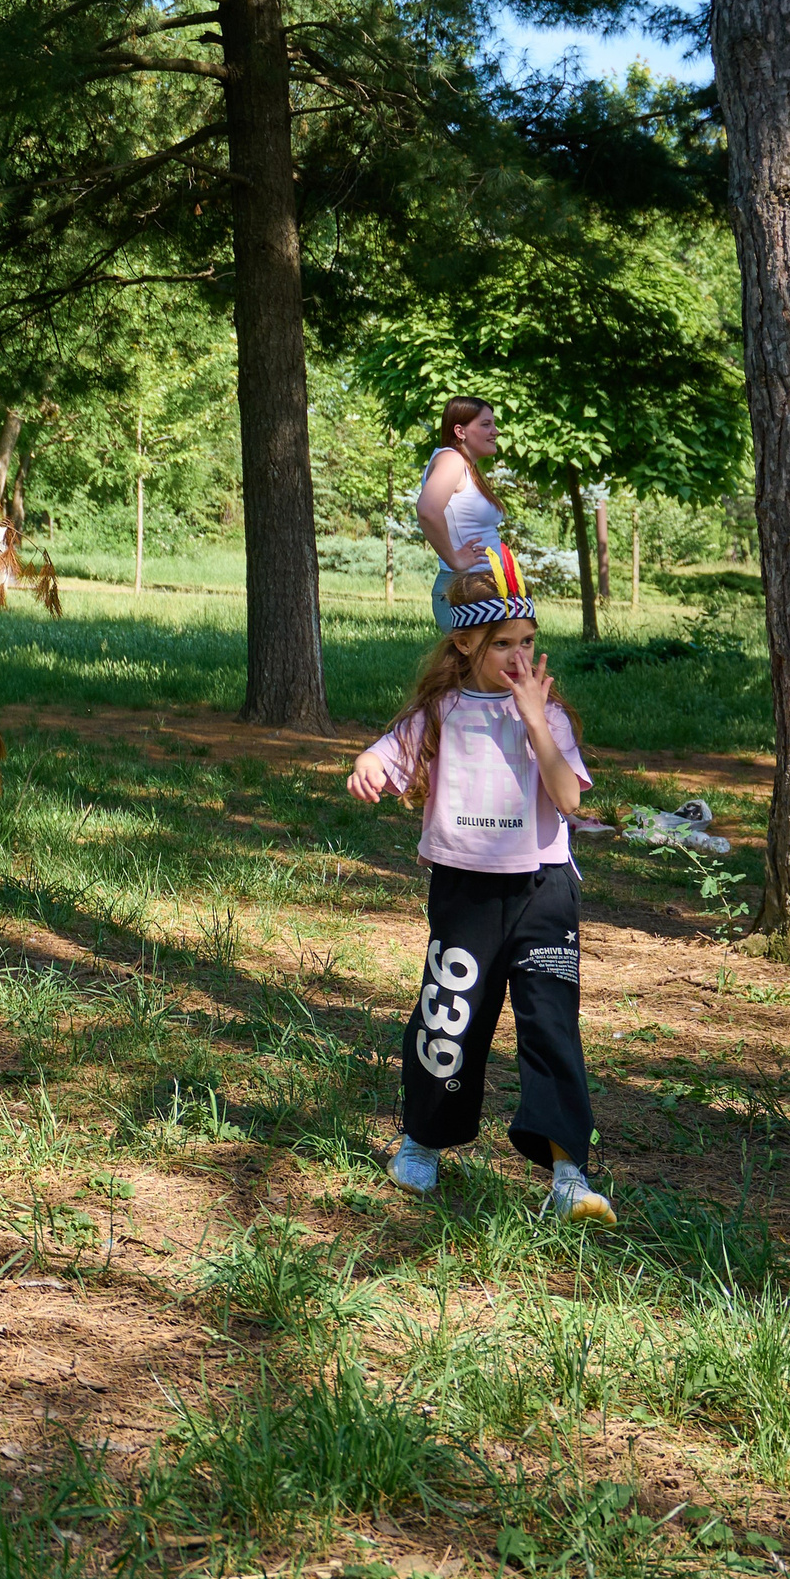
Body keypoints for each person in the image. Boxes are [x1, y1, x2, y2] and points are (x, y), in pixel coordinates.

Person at [346, 553, 616, 1226]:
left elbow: (567, 799)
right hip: (465, 892)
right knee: (449, 1018)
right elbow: (386, 752)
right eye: (503, 644)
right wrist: (368, 765)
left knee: (550, 1025)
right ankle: (421, 1143)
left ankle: (569, 1176)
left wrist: (534, 721)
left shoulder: (547, 716)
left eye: (528, 641)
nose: (519, 656)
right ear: (465, 643)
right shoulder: (441, 711)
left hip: (542, 890)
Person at [415, 396, 506, 631]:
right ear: (460, 431)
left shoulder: (465, 466)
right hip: (466, 588)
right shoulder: (451, 459)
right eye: (486, 424)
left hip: (479, 587)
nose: (495, 431)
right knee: (478, 657)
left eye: (494, 424)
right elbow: (427, 510)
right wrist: (454, 560)